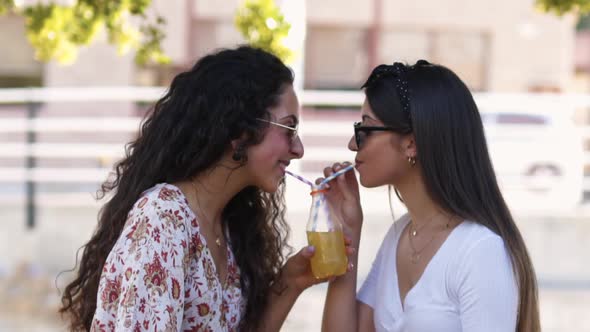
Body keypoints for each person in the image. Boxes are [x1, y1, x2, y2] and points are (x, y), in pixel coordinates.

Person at [59, 45, 336, 332]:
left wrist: (288, 284)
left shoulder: (228, 227)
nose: (299, 149)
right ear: (240, 130)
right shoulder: (163, 219)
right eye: (289, 129)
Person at [319, 60, 540, 332]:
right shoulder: (399, 236)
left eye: (365, 129)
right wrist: (348, 231)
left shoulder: (479, 251)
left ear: (411, 143)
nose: (353, 143)